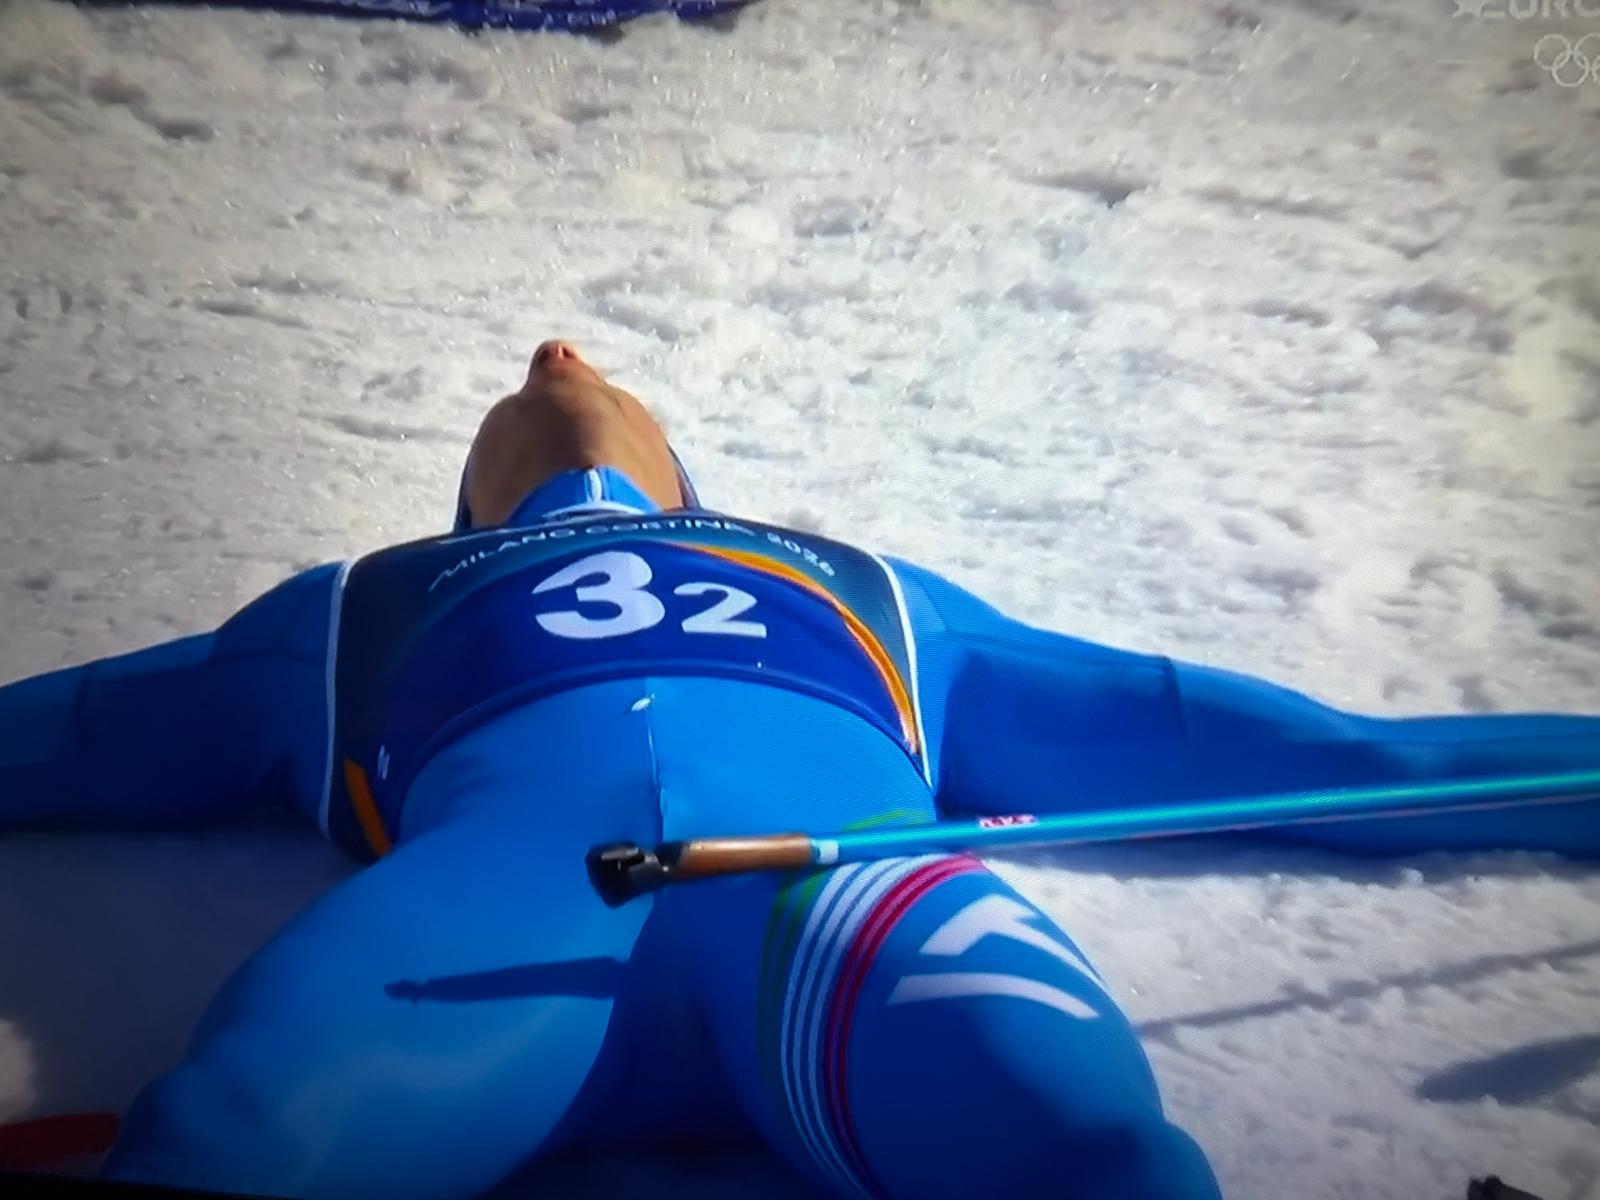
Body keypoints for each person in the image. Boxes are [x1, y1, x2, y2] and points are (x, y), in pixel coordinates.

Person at [2, 340, 1596, 1200]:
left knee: (1097, 1163)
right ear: (466, 509)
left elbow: (1335, 759)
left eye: (587, 357)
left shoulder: (881, 594)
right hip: (485, 941)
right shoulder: (353, 608)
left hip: (832, 916)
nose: (556, 349)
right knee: (228, 1153)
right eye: (524, 372)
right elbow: (54, 742)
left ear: (694, 483)